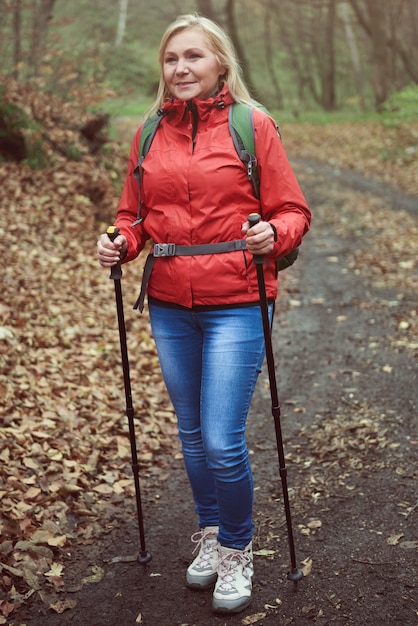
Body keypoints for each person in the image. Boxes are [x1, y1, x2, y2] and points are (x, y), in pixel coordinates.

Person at [97, 13, 311, 615]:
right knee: (191, 436)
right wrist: (121, 240)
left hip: (239, 302)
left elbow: (293, 209)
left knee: (220, 439)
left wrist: (275, 232)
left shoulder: (252, 124)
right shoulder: (147, 132)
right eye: (171, 59)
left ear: (220, 63)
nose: (181, 68)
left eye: (194, 57)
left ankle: (239, 547)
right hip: (169, 303)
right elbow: (134, 216)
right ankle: (213, 535)